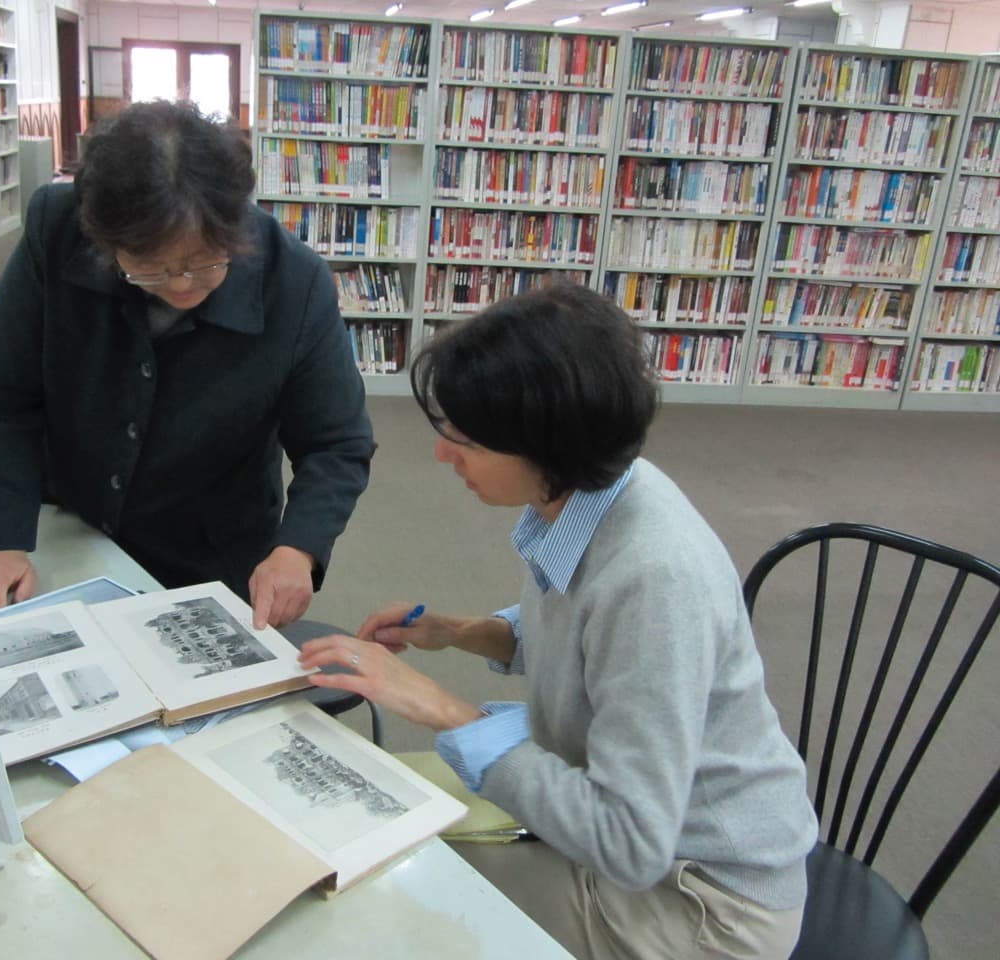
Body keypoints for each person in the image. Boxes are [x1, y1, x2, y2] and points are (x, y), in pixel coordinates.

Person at [299, 284, 818, 960]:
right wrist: (465, 632)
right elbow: (587, 630)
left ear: (547, 446)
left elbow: (630, 842)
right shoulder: (597, 492)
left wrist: (441, 709)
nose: (441, 456)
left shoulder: (656, 578)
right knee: (383, 820)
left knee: (394, 893)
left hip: (699, 905)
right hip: (638, 834)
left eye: (465, 439)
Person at [0, 100, 375, 626]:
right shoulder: (56, 230)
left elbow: (337, 443)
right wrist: (4, 544)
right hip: (72, 531)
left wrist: (298, 548)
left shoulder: (294, 281)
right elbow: (3, 396)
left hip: (212, 552)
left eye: (205, 262)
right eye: (150, 268)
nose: (180, 284)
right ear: (106, 241)